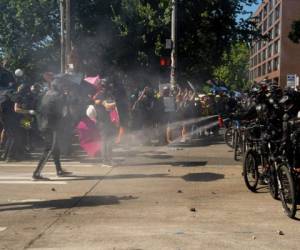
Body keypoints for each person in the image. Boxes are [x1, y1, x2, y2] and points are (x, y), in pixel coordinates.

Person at [32, 78, 69, 180]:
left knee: (55, 147)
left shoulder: (47, 94)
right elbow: (64, 112)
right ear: (60, 86)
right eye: (63, 85)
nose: (64, 87)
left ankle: (59, 170)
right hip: (51, 125)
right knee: (49, 149)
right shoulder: (60, 96)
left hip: (43, 124)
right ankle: (37, 173)